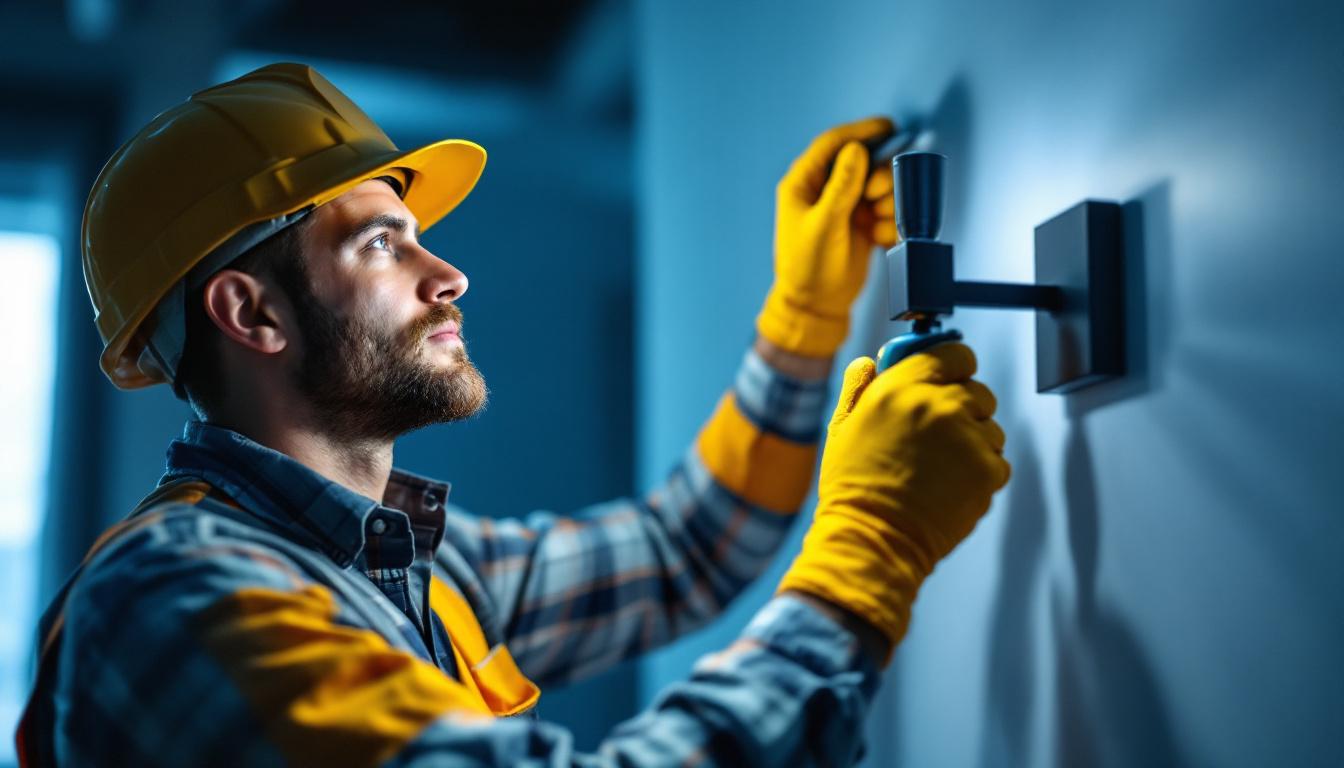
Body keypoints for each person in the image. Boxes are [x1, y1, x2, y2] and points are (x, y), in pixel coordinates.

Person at [16, 62, 1009, 766]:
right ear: (252, 313)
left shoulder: (412, 567)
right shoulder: (179, 600)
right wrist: (867, 551)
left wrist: (802, 322)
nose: (448, 274)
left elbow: (683, 554)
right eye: (381, 245)